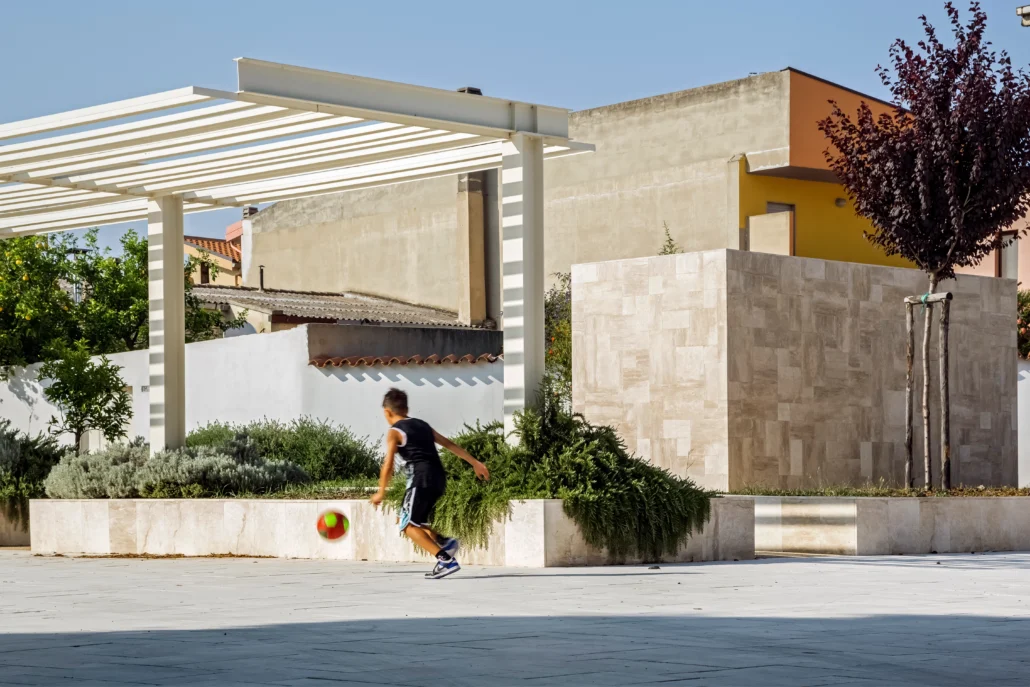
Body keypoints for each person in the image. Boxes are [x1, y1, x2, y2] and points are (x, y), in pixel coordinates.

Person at [370, 388, 490, 579]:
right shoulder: (423, 425)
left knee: (408, 526)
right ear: (406, 408)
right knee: (415, 521)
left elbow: (388, 464)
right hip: (438, 479)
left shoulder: (395, 431)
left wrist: (381, 492)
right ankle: (445, 542)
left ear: (387, 411)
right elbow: (448, 444)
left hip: (420, 479)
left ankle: (445, 560)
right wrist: (475, 462)